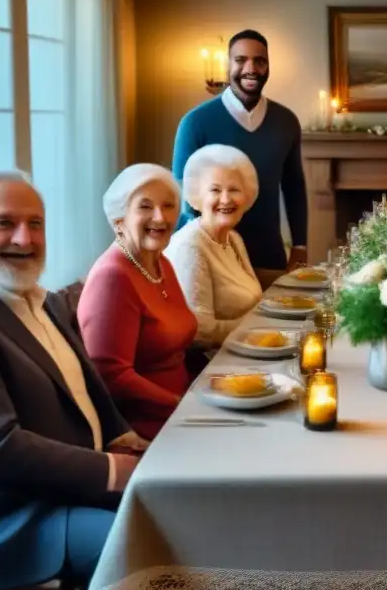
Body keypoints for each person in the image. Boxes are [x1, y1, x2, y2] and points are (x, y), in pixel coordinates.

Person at [0, 170, 146, 590]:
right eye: (4, 223)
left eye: (35, 224)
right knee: (143, 546)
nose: (24, 238)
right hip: (12, 524)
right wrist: (114, 470)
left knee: (186, 509)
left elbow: (84, 388)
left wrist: (123, 436)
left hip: (67, 492)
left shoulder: (38, 299)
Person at [171, 30, 307, 283]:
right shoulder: (195, 123)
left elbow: (294, 187)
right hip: (209, 261)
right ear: (227, 65)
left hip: (269, 257)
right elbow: (184, 196)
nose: (251, 68)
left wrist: (300, 246)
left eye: (260, 61)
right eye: (241, 60)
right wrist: (207, 252)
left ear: (268, 67)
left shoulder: (286, 121)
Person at [78, 164, 198, 440]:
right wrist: (182, 406)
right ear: (119, 219)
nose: (160, 217)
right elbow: (112, 376)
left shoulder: (160, 263)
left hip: (183, 402)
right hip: (144, 425)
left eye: (168, 206)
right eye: (145, 207)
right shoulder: (113, 277)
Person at [167, 144, 263, 345]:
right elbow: (198, 331)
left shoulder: (233, 238)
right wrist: (258, 326)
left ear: (246, 195)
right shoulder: (191, 246)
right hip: (210, 363)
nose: (226, 199)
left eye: (234, 189)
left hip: (245, 347)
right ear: (198, 196)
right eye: (215, 190)